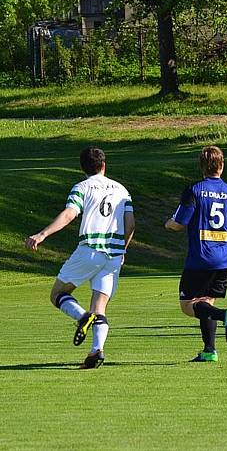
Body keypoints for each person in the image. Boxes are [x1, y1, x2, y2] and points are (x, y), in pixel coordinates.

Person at [25, 146, 135, 369]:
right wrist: (123, 250)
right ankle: (97, 351)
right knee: (100, 307)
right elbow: (131, 223)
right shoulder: (122, 190)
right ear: (104, 165)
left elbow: (69, 214)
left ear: (82, 168)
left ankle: (82, 317)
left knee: (58, 293)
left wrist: (42, 233)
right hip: (113, 255)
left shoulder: (82, 187)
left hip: (90, 249)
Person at [166, 146, 227, 363]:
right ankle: (209, 350)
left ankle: (225, 316)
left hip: (201, 259)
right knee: (206, 303)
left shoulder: (195, 190)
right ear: (221, 166)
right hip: (224, 259)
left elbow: (179, 223)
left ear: (202, 166)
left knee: (187, 305)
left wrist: (168, 224)